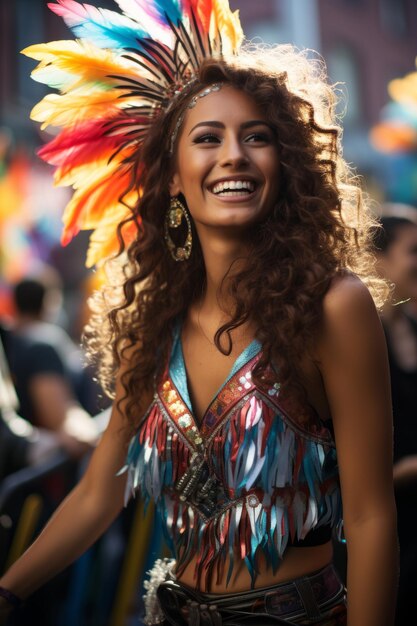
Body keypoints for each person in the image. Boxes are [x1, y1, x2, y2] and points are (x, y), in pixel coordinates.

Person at [0, 1, 398, 625]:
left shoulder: (334, 306)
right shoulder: (152, 321)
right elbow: (99, 492)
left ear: (284, 166)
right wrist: (7, 590)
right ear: (174, 178)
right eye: (207, 138)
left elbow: (372, 517)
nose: (233, 155)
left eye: (257, 137)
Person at [372, 214, 417, 626]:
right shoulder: (361, 339)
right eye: (413, 252)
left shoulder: (413, 328)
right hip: (381, 531)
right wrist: (401, 472)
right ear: (377, 261)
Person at [2, 269, 99, 450]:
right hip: (45, 467)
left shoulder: (11, 340)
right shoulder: (43, 343)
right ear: (49, 302)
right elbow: (62, 420)